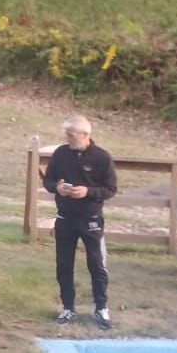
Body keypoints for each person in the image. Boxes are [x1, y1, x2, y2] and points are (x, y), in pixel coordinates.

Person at [42, 115, 119, 327]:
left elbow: (111, 189)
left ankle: (101, 308)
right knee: (64, 264)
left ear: (85, 135)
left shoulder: (102, 157)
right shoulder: (61, 153)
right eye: (66, 134)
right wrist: (56, 188)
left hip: (90, 218)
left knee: (96, 264)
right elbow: (48, 180)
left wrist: (88, 191)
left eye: (71, 135)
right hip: (65, 217)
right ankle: (68, 307)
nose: (67, 138)